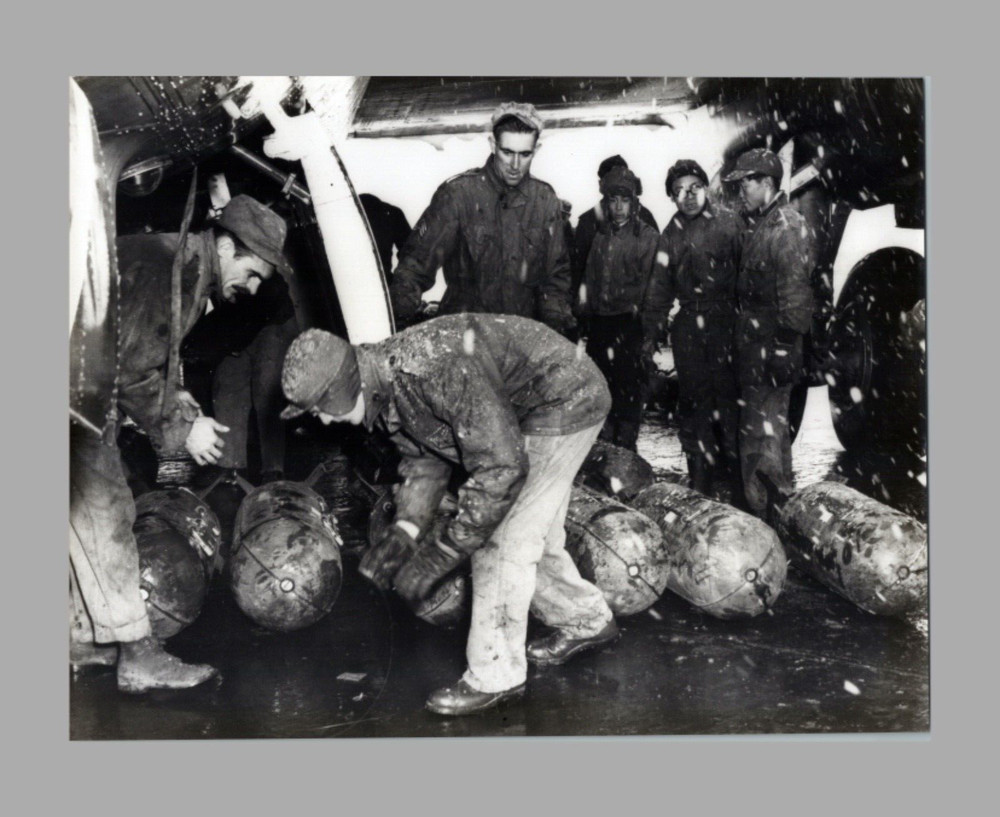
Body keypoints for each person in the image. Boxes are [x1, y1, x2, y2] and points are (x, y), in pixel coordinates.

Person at [280, 315, 619, 716]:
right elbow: (425, 460)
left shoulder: (433, 371)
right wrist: (404, 531)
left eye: (319, 408)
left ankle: (496, 675)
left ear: (340, 390)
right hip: (527, 407)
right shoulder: (388, 385)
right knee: (532, 534)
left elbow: (501, 468)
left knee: (503, 537)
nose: (320, 420)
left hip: (565, 400)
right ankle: (586, 618)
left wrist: (439, 555)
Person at [70, 194, 291, 692]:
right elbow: (127, 370)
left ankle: (79, 637)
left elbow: (138, 355)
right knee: (108, 512)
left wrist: (183, 407)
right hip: (71, 397)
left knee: (75, 514)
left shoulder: (173, 257)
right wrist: (183, 425)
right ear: (228, 246)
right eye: (252, 273)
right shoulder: (176, 272)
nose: (252, 289)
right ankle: (138, 655)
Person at [388, 102, 574, 334]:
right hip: (464, 338)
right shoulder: (458, 195)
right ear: (493, 145)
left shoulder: (544, 200)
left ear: (536, 150)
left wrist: (556, 332)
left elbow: (556, 278)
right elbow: (415, 267)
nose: (515, 165)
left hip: (521, 341)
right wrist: (397, 325)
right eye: (507, 152)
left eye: (525, 154)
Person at [722, 149, 815, 518]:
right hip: (755, 348)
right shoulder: (760, 223)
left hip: (771, 348)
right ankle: (771, 511)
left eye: (748, 182)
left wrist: (783, 347)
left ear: (768, 183)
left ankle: (769, 518)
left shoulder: (786, 228)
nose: (742, 189)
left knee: (765, 438)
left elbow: (796, 295)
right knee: (761, 433)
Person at [642, 160, 744, 494]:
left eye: (694, 188)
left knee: (729, 402)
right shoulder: (670, 234)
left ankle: (738, 482)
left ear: (706, 188)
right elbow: (659, 289)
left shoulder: (730, 225)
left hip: (725, 321)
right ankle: (700, 477)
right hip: (688, 326)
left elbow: (749, 278)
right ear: (672, 197)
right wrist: (651, 334)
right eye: (679, 191)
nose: (687, 197)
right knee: (695, 402)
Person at [181, 271, 299, 484]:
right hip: (235, 324)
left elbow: (263, 304)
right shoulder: (210, 264)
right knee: (226, 386)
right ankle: (229, 466)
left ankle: (273, 470)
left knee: (267, 391)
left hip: (274, 321)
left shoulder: (255, 266)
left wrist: (229, 341)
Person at [578, 166, 659, 451]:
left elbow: (653, 287)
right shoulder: (601, 238)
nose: (619, 207)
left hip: (629, 325)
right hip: (602, 325)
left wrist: (649, 334)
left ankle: (626, 448)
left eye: (624, 200)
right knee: (601, 387)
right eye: (613, 200)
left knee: (629, 390)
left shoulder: (647, 238)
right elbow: (589, 279)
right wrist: (585, 319)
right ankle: (605, 447)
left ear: (634, 201)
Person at [571, 154, 659, 307]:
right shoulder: (588, 221)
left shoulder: (645, 220)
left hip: (633, 312)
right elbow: (579, 271)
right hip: (598, 311)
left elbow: (657, 274)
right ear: (601, 184)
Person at [359, 193, 412, 281]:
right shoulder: (391, 212)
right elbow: (412, 253)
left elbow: (411, 252)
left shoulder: (392, 213)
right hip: (383, 285)